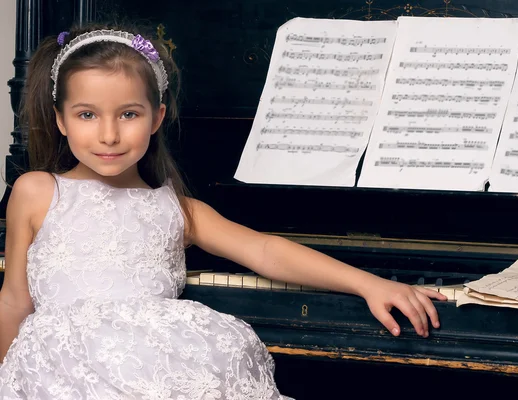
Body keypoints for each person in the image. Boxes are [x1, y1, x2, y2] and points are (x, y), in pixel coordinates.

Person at [0, 21, 447, 399]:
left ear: (156, 118)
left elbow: (265, 250)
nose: (110, 135)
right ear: (59, 120)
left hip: (162, 363)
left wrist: (368, 283)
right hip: (60, 369)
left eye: (129, 114)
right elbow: (15, 298)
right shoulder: (38, 191)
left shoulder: (177, 208)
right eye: (87, 115)